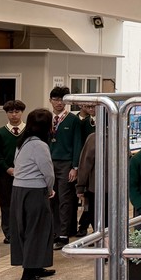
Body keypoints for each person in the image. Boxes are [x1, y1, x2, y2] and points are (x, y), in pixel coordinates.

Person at [10, 108, 56, 280]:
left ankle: (36, 266)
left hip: (19, 190)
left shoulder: (22, 142)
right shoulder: (40, 145)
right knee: (37, 230)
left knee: (27, 229)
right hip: (34, 191)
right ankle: (28, 275)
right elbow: (48, 172)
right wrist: (50, 190)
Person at [48, 85, 82, 248]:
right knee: (51, 198)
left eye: (62, 99)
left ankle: (63, 234)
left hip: (66, 164)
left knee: (64, 199)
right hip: (49, 163)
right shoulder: (47, 119)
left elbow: (77, 144)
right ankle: (54, 232)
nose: (59, 103)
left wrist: (75, 167)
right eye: (55, 99)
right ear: (50, 100)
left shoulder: (73, 120)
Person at [0, 99, 26, 244]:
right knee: (6, 205)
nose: (14, 115)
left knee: (23, 204)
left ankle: (23, 231)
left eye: (17, 112)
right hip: (5, 175)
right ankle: (9, 233)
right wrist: (7, 168)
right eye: (10, 112)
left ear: (22, 112)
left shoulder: (28, 131)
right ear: (6, 114)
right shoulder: (0, 132)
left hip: (25, 174)